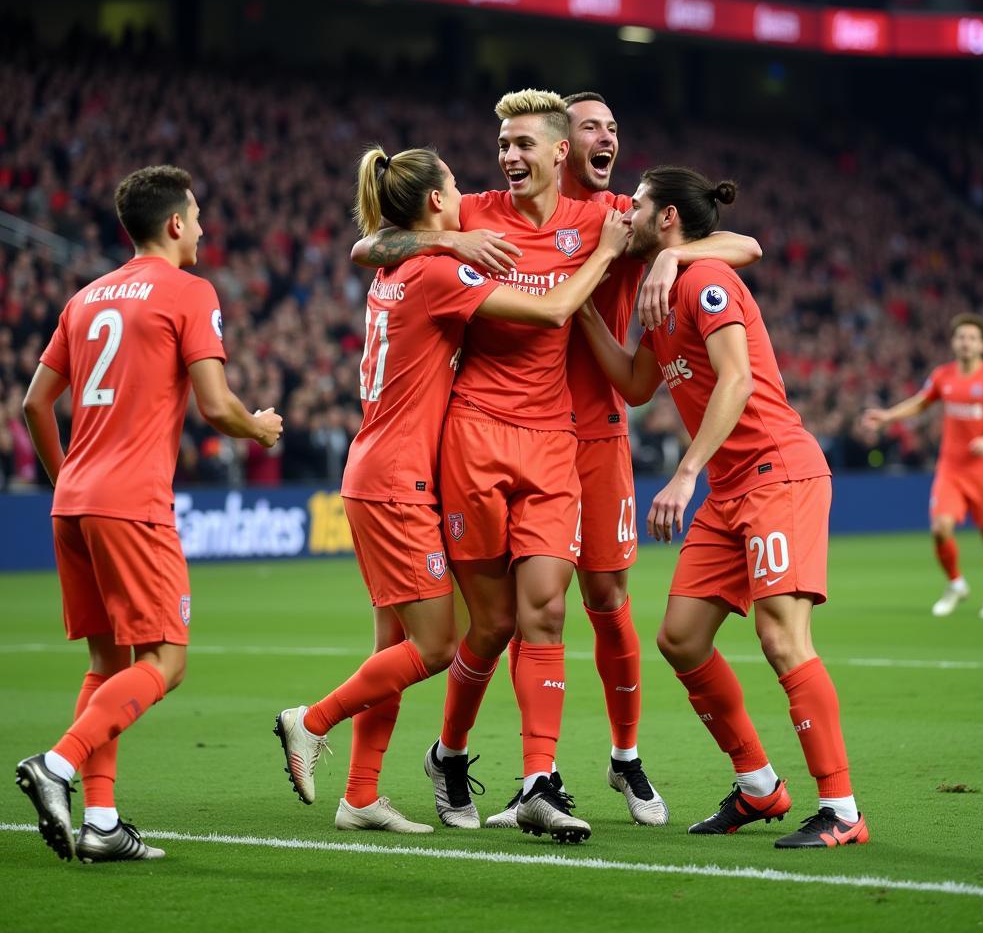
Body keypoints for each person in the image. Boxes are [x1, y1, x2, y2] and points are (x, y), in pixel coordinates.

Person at [274, 145, 627, 834]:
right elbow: (553, 310)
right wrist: (602, 254)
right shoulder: (436, 271)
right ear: (437, 201)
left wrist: (454, 237)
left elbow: (368, 242)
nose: (467, 191)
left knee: (392, 646)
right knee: (435, 646)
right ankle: (310, 721)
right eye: (455, 187)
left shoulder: (401, 262)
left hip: (375, 467)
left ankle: (361, 794)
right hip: (399, 478)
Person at [486, 91, 762, 829]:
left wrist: (674, 252)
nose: (607, 137)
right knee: (527, 611)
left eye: (614, 127)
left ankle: (625, 756)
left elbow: (744, 245)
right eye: (591, 127)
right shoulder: (515, 214)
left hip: (598, 436)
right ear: (557, 145)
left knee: (607, 601)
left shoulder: (624, 221)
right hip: (517, 433)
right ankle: (532, 775)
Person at [577, 165, 869, 849]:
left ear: (669, 219)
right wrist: (581, 305)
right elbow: (634, 383)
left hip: (777, 474)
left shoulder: (705, 281)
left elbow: (736, 381)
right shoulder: (659, 295)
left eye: (641, 205)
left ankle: (843, 809)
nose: (630, 214)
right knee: (680, 637)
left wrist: (683, 476)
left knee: (781, 638)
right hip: (731, 487)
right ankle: (761, 787)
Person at [16, 165, 283, 863]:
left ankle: (100, 824)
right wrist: (258, 427)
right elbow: (216, 406)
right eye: (194, 217)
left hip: (73, 504)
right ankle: (60, 764)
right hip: (133, 504)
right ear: (173, 224)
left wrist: (65, 478)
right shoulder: (189, 292)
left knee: (108, 662)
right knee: (167, 660)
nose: (200, 229)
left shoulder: (84, 298)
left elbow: (33, 406)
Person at [862, 315, 983, 619]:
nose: (965, 342)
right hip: (952, 469)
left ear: (982, 345)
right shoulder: (943, 376)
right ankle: (956, 583)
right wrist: (888, 416)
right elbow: (921, 402)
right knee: (940, 529)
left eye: (971, 337)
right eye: (960, 337)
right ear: (953, 342)